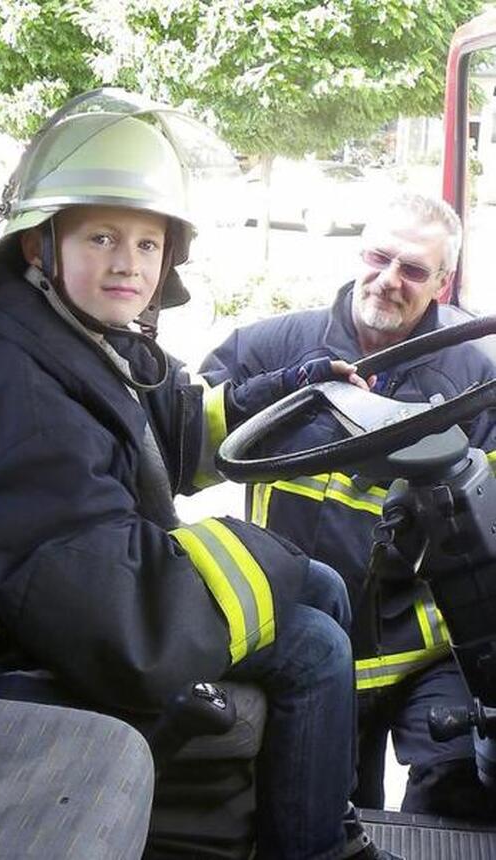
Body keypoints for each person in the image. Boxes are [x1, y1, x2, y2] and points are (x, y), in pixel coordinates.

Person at [0, 89, 399, 860]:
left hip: (77, 586)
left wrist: (296, 386)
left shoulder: (77, 338)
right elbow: (87, 590)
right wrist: (260, 553)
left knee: (326, 585)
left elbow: (162, 433)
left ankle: (321, 810)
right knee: (313, 641)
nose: (128, 263)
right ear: (39, 247)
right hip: (7, 638)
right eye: (101, 237)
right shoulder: (15, 387)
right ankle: (309, 849)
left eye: (148, 245)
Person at [201, 192, 496, 819]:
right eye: (379, 257)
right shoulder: (273, 348)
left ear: (443, 282)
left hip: (426, 650)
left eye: (414, 270)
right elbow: (185, 440)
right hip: (308, 642)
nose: (389, 280)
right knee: (327, 810)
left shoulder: (477, 375)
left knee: (453, 799)